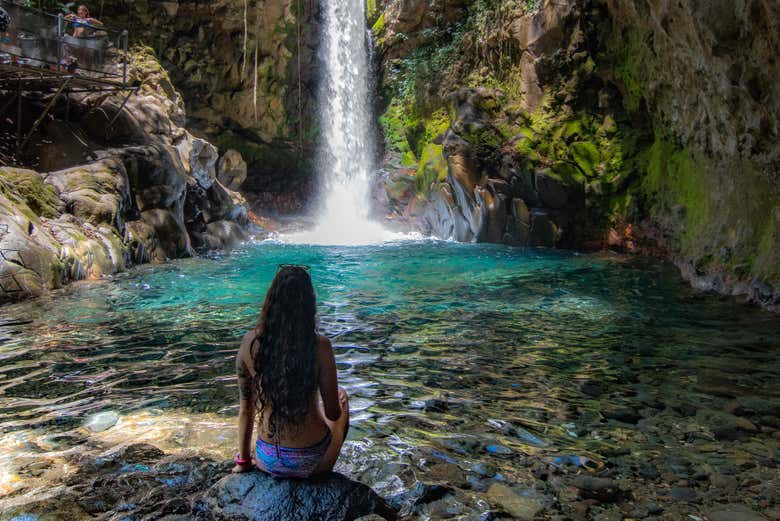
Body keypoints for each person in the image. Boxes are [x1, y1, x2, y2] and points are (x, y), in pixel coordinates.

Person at [233, 265, 350, 477]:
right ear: (309, 304)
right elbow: (333, 413)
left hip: (266, 458)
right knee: (342, 402)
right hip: (310, 460)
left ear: (271, 302)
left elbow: (245, 411)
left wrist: (243, 461)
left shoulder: (249, 343)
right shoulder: (320, 346)